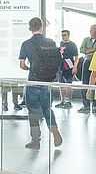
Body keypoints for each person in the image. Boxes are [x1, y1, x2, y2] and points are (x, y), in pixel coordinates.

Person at [18, 17, 63, 149]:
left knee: (32, 111)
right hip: (47, 82)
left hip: (33, 81)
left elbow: (22, 65)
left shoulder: (26, 44)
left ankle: (35, 140)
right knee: (47, 108)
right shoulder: (50, 42)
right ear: (42, 27)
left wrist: (30, 68)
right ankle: (55, 132)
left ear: (29, 28)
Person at [78, 25, 96, 113]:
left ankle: (94, 105)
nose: (92, 31)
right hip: (86, 62)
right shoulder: (86, 40)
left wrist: (88, 51)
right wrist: (92, 50)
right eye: (91, 29)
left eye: (94, 30)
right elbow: (81, 50)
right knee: (84, 83)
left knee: (95, 83)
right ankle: (86, 105)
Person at [56, 29, 78, 108]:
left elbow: (76, 57)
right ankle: (62, 100)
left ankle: (68, 101)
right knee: (61, 84)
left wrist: (75, 67)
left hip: (69, 65)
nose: (63, 37)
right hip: (61, 65)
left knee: (68, 83)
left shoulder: (72, 45)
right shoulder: (61, 43)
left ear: (68, 35)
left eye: (65, 35)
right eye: (62, 35)